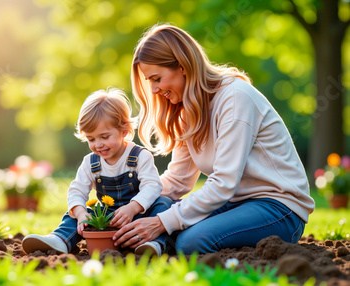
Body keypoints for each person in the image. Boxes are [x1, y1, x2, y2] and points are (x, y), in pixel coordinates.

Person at [112, 24, 316, 254]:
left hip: (279, 208)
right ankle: (154, 245)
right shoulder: (187, 111)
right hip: (232, 204)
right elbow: (177, 181)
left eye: (157, 78)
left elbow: (224, 182)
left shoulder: (235, 98)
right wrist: (132, 203)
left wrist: (160, 223)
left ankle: (164, 243)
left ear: (182, 66)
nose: (155, 90)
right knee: (161, 205)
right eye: (150, 82)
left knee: (191, 242)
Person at [22, 88, 172, 256]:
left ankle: (155, 244)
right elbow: (77, 190)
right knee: (77, 213)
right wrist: (80, 214)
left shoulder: (139, 156)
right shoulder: (91, 162)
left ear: (125, 131)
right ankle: (61, 239)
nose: (98, 144)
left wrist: (132, 208)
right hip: (107, 218)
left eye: (105, 137)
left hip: (140, 217)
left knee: (164, 204)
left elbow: (152, 185)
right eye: (91, 139)